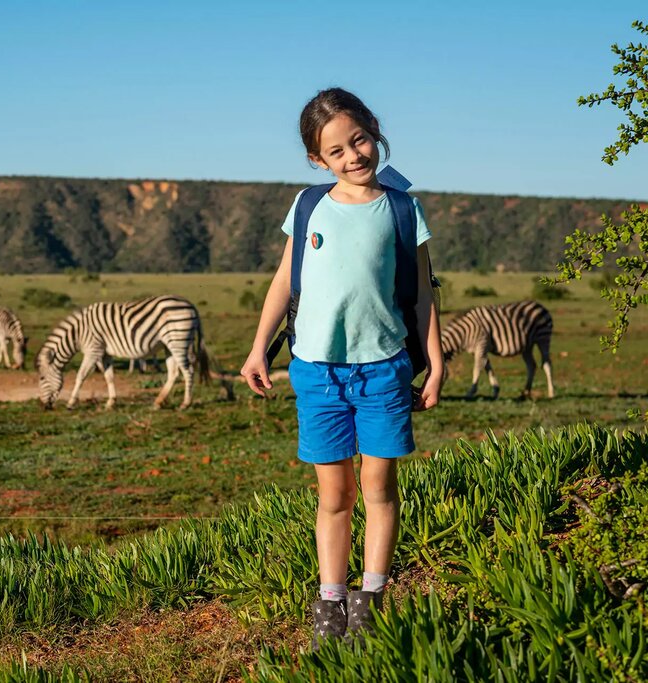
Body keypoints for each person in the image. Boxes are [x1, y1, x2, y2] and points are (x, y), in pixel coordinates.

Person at [239, 88, 443, 643]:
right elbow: (284, 281)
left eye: (360, 140)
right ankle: (330, 605)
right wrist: (258, 347)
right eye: (336, 150)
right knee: (334, 495)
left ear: (374, 131)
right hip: (316, 372)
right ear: (317, 159)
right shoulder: (309, 205)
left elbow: (424, 294)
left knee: (378, 487)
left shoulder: (402, 209)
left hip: (383, 369)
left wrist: (436, 362)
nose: (354, 155)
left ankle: (370, 602)